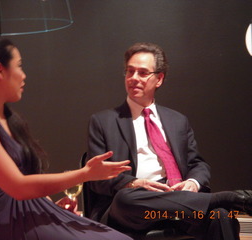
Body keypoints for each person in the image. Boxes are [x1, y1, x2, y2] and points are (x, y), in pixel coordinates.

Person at [0, 35, 134, 240]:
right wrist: (85, 174)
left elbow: (23, 181)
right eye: (19, 66)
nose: (23, 75)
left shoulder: (8, 118)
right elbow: (18, 187)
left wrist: (48, 206)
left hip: (21, 213)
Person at [86, 42, 252, 240]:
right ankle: (221, 199)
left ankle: (213, 204)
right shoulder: (103, 121)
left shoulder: (177, 120)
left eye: (142, 72)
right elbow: (96, 178)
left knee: (221, 216)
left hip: (179, 206)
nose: (134, 78)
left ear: (159, 79)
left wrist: (192, 182)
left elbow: (197, 163)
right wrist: (135, 183)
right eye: (130, 72)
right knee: (125, 199)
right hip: (135, 207)